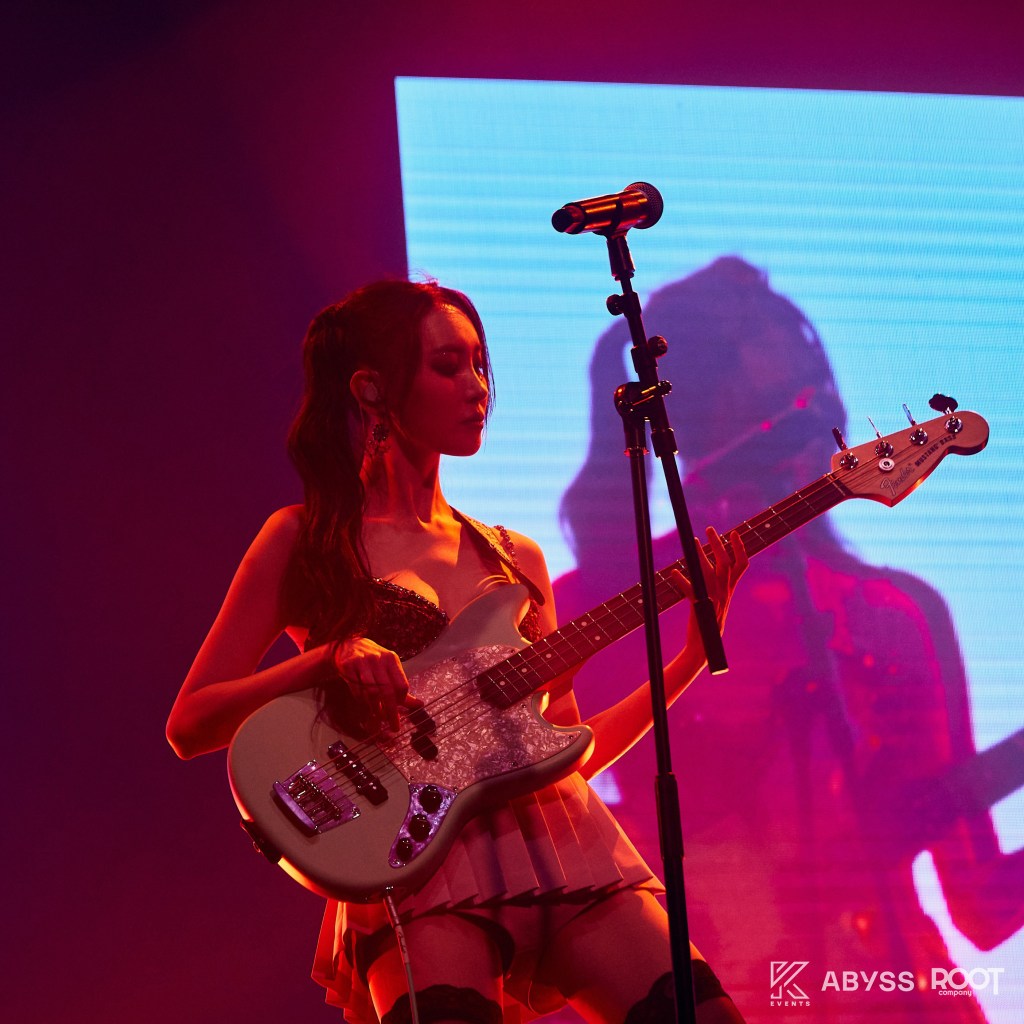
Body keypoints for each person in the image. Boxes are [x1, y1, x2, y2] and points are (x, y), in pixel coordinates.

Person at [166, 279, 750, 1024]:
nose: (477, 387)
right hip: (413, 859)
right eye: (448, 366)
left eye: (479, 364)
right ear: (372, 389)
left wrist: (687, 661)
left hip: (567, 842)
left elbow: (567, 748)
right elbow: (190, 724)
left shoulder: (515, 557)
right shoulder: (303, 540)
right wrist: (326, 658)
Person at [555, 256, 1024, 1022]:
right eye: (793, 402)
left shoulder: (897, 614)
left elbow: (980, 904)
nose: (819, 411)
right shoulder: (603, 610)